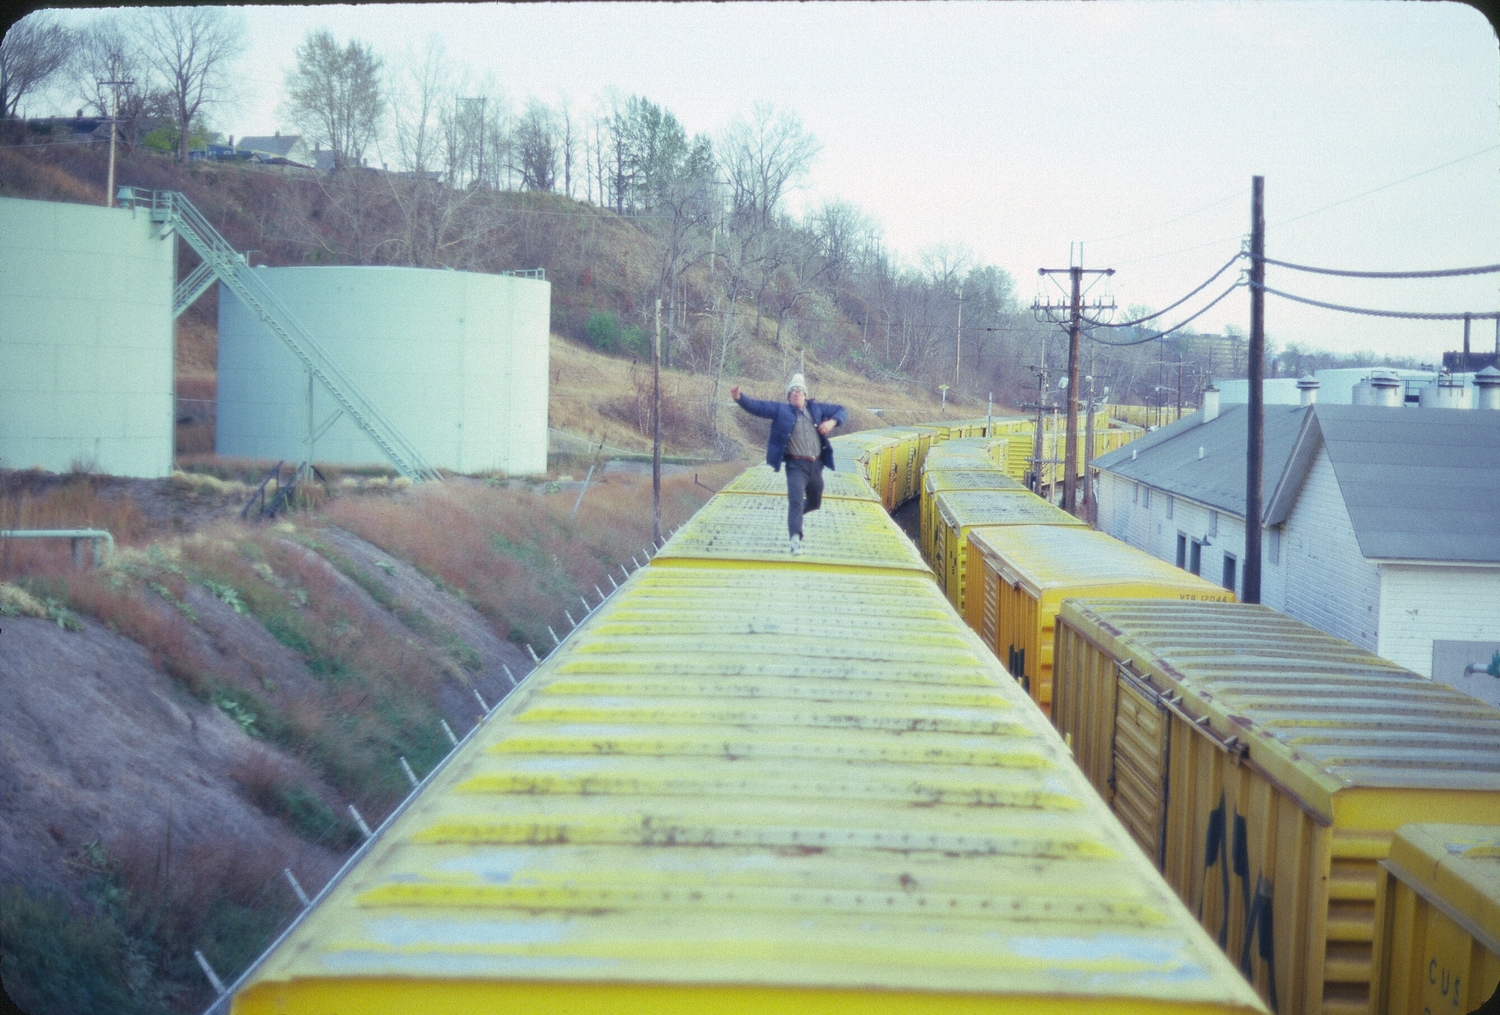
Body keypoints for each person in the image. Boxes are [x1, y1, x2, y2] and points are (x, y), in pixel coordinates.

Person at [730, 373, 847, 554]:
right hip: (795, 466)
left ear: (805, 394)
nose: (796, 393)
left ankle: (795, 518)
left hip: (816, 465)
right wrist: (740, 398)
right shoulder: (781, 411)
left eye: (799, 390)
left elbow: (842, 410)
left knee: (815, 502)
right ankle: (795, 541)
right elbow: (758, 407)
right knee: (796, 501)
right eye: (792, 391)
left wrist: (832, 422)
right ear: (788, 397)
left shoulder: (816, 410)